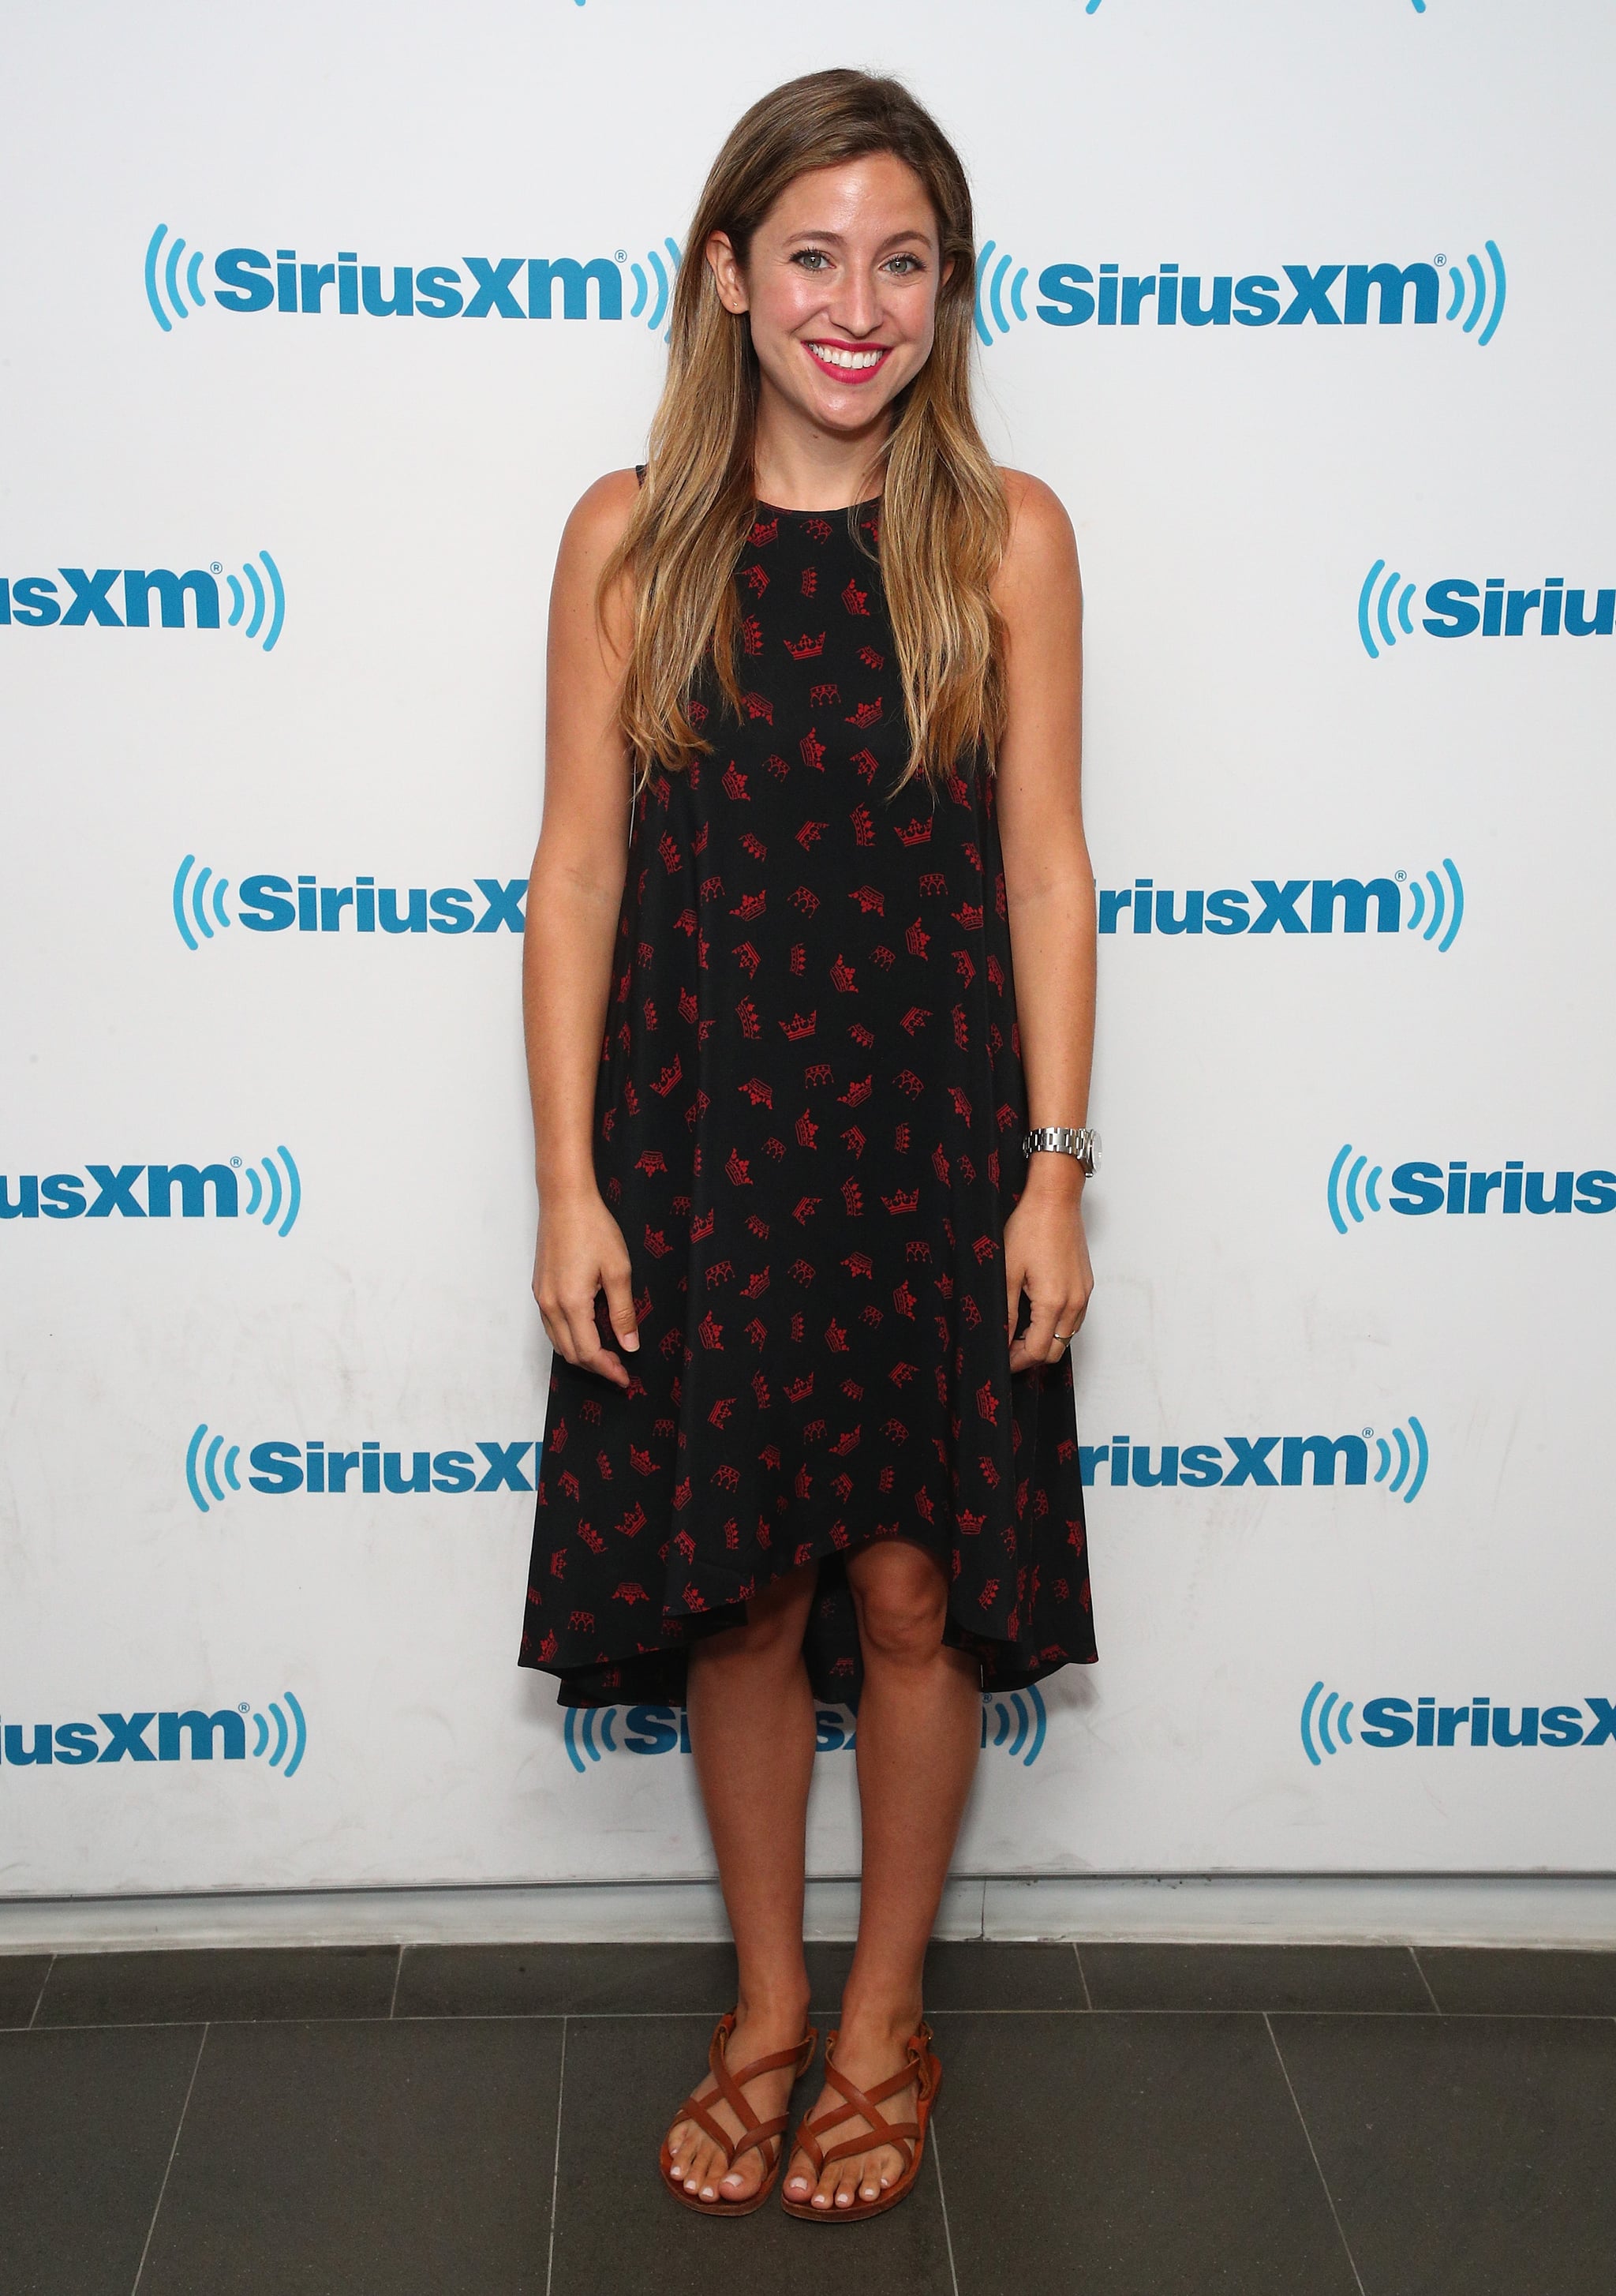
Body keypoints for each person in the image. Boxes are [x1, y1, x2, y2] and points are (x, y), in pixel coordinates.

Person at [518, 67, 1097, 2222]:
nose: (859, 304)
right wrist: (570, 1186)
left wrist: (1054, 1167)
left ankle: (882, 2023)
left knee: (917, 1589)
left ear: (948, 291)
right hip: (704, 1148)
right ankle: (764, 2008)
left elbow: (1049, 873)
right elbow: (574, 878)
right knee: (743, 1598)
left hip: (938, 1148)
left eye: (905, 262)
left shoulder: (1006, 533)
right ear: (729, 277)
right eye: (817, 256)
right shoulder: (625, 537)